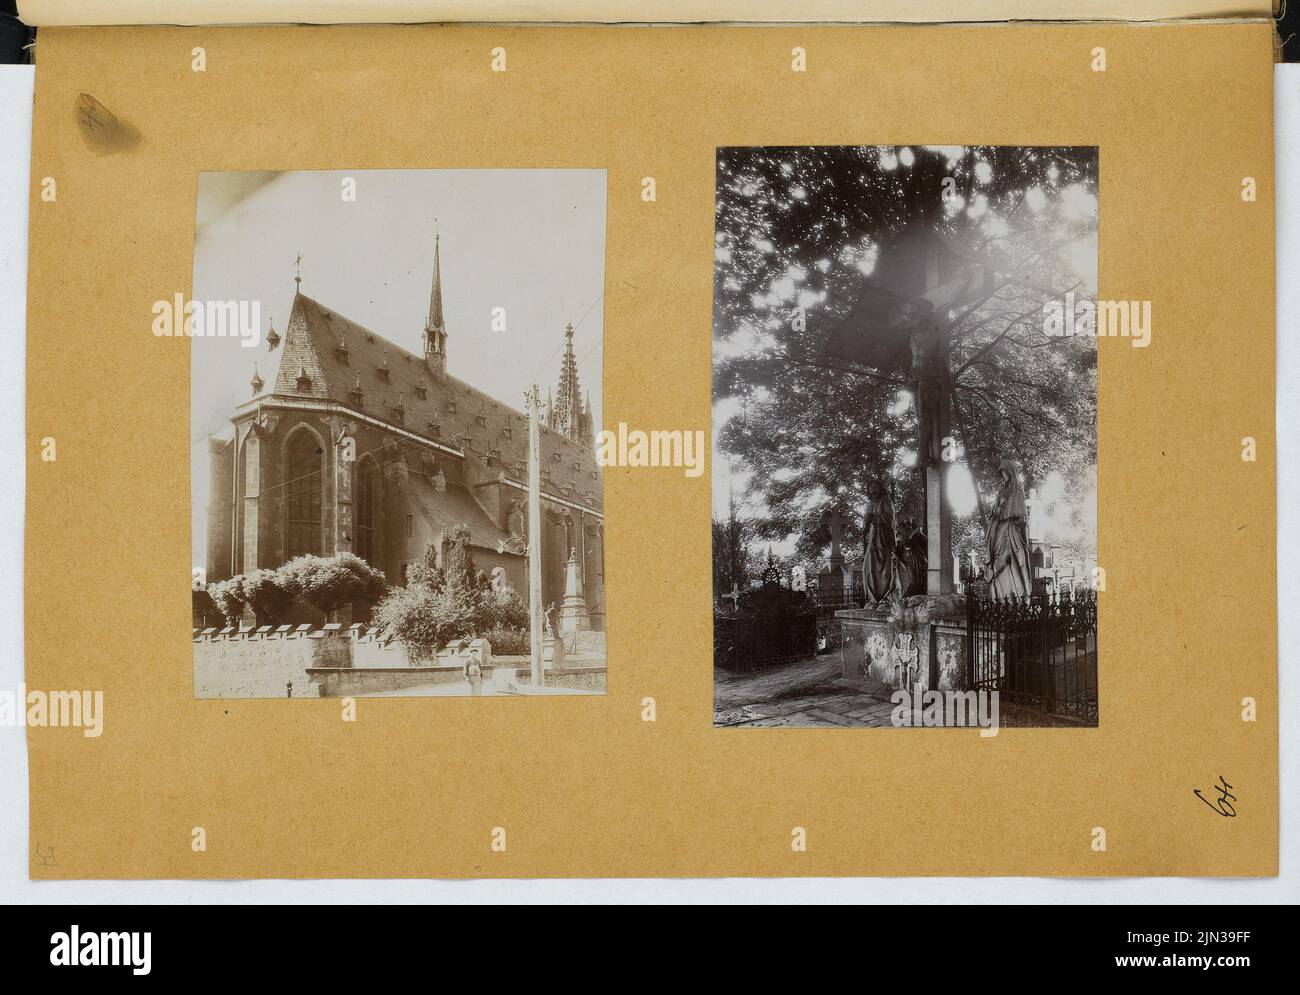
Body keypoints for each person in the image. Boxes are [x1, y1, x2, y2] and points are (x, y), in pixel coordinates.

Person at [985, 460, 1032, 599]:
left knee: (1008, 559)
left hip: (1010, 531)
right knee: (997, 557)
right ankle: (998, 597)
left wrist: (1008, 518)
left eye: (1004, 472)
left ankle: (1012, 597)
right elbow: (996, 510)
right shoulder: (1004, 490)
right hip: (999, 528)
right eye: (1001, 473)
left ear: (1010, 472)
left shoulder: (1017, 490)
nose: (1003, 475)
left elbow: (1021, 516)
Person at [862, 480, 896, 605]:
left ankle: (885, 595)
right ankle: (873, 596)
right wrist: (866, 527)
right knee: (870, 565)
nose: (873, 492)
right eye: (871, 490)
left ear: (880, 490)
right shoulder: (870, 504)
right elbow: (866, 521)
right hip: (873, 536)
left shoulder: (886, 502)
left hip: (883, 536)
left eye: (875, 489)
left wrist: (874, 518)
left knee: (883, 565)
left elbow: (890, 519)